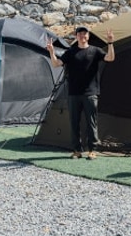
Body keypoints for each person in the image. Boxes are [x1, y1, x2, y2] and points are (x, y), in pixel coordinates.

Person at [46, 25, 115, 160]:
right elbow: (56, 64)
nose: (82, 36)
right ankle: (77, 150)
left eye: (85, 34)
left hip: (91, 93)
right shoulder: (71, 52)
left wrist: (110, 43)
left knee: (91, 122)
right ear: (76, 36)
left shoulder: (95, 51)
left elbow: (110, 58)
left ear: (88, 36)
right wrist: (51, 51)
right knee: (74, 123)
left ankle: (92, 150)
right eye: (80, 34)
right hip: (73, 93)